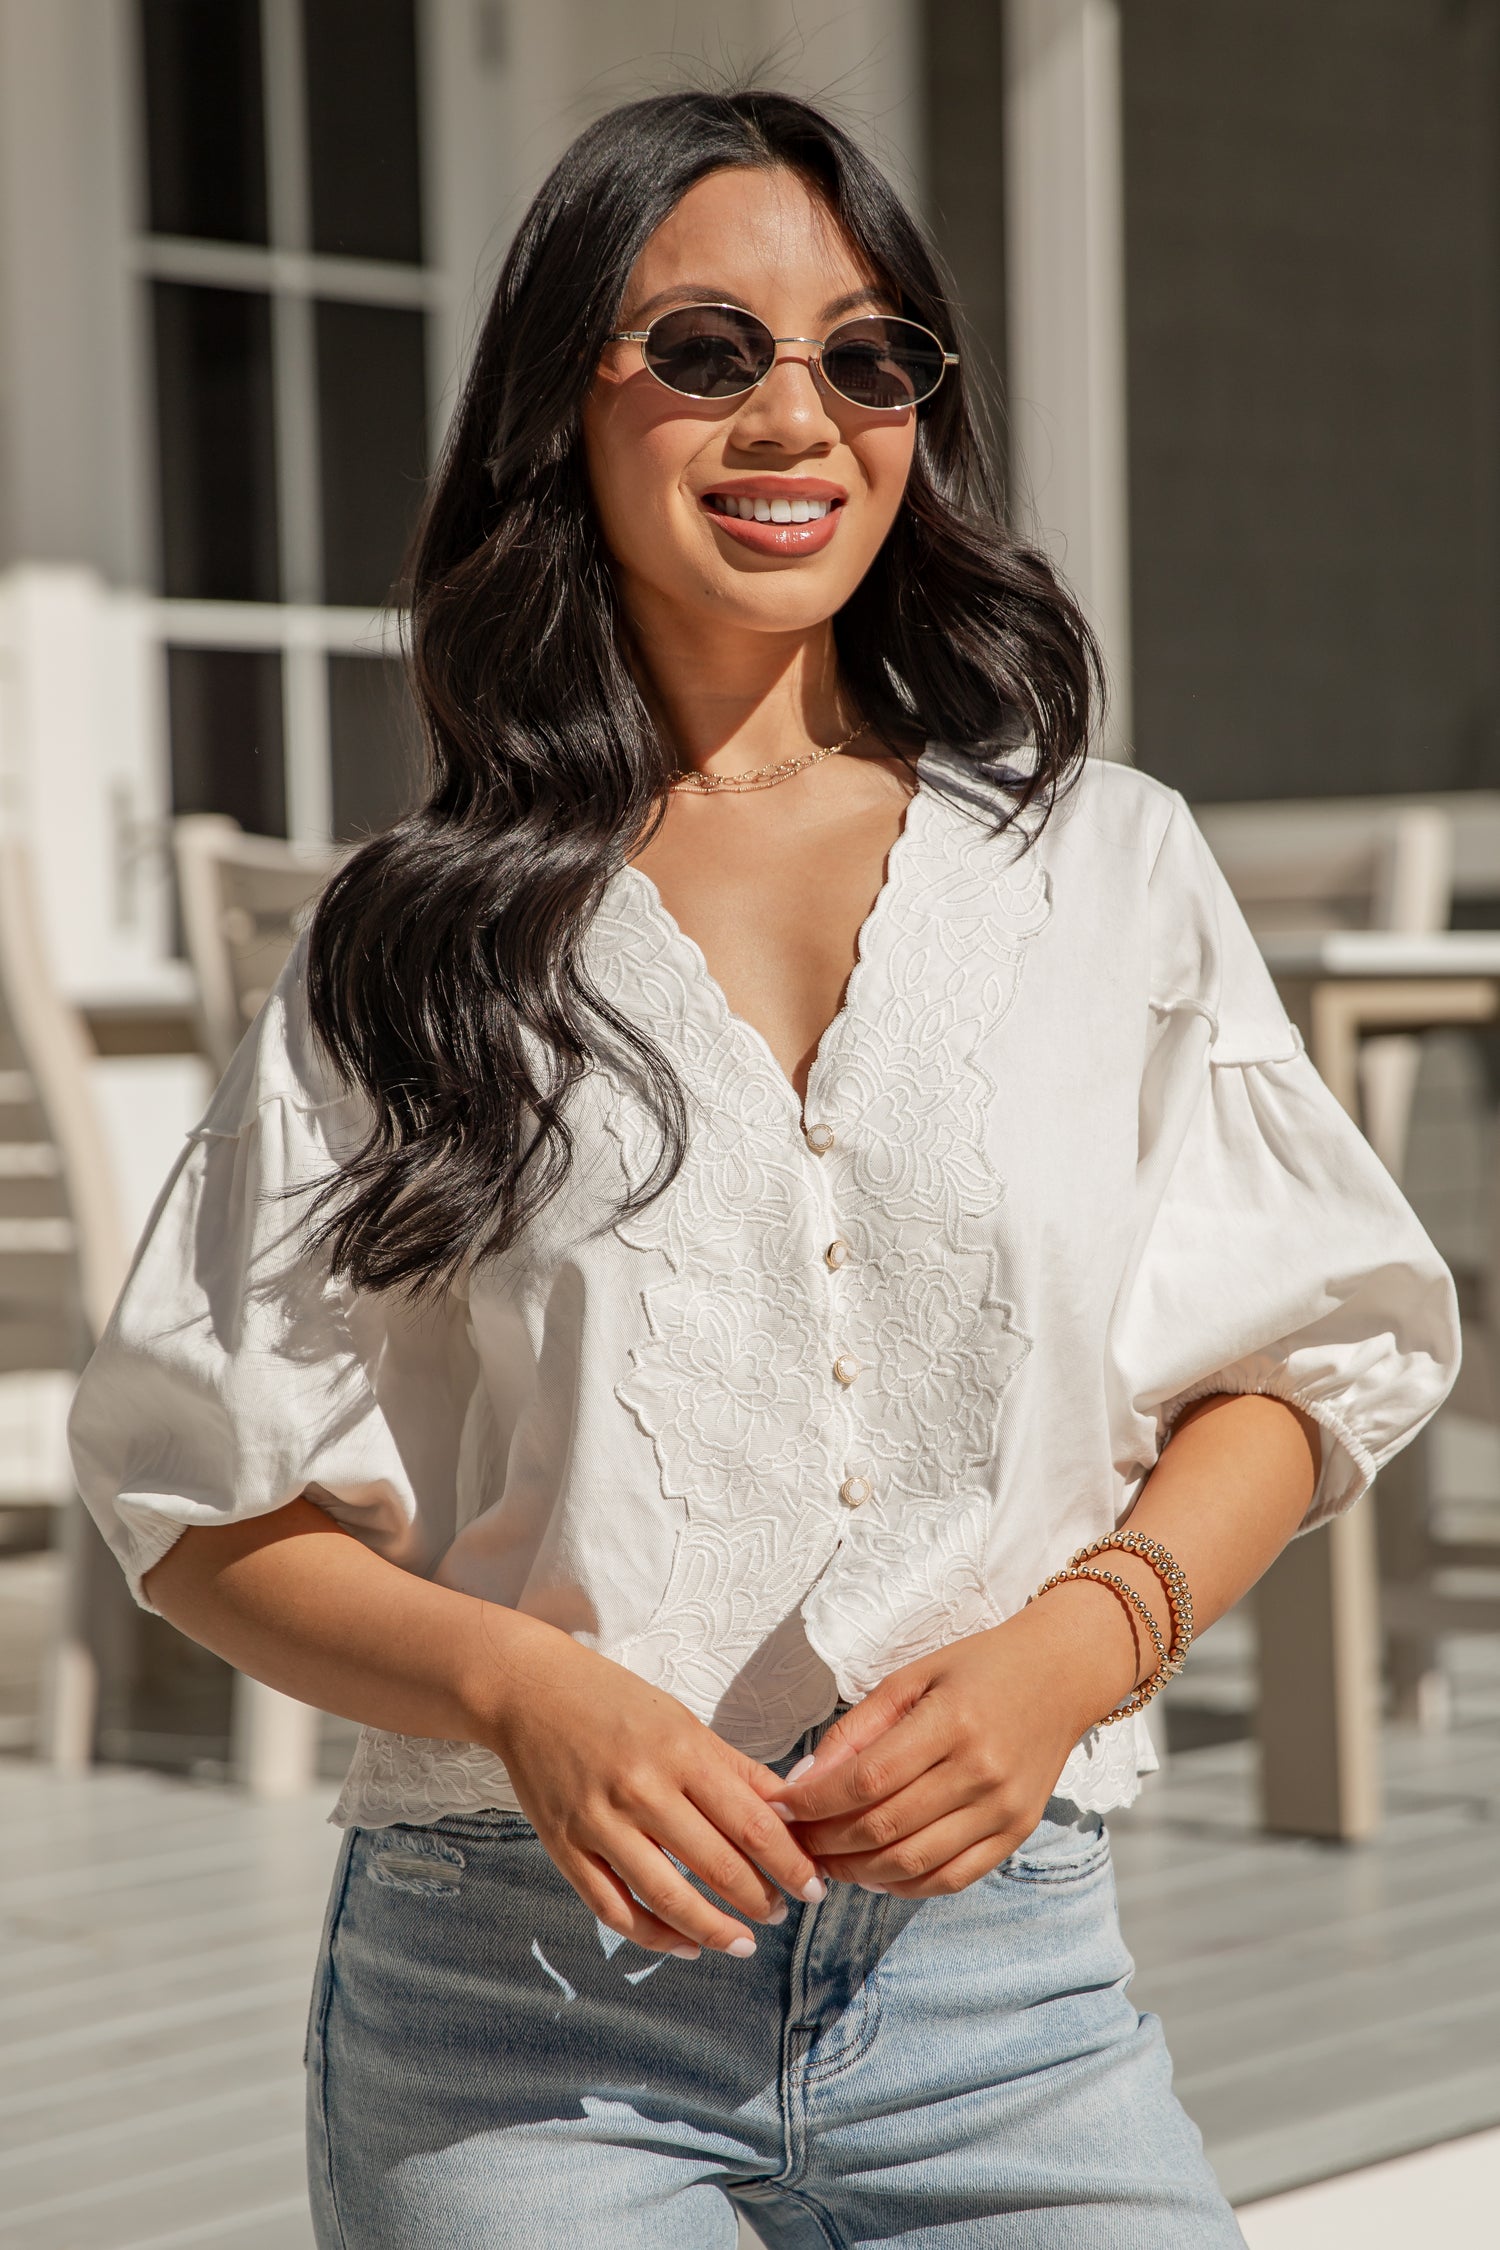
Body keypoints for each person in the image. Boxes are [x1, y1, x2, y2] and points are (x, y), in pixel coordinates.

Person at [70, 89, 1459, 2250]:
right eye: (708, 350)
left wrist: (1082, 1644)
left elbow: (1310, 1356)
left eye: (868, 356)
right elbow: (195, 1501)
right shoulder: (412, 937)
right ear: (564, 405)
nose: (797, 415)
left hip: (1005, 2004)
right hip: (523, 2008)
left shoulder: (1102, 864)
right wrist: (527, 1692)